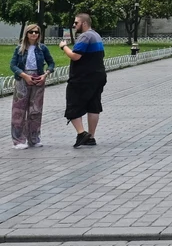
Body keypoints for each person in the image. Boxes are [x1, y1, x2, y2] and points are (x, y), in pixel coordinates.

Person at [60, 13, 106, 148]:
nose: (74, 25)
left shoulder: (85, 36)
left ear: (84, 23)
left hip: (82, 77)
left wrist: (64, 46)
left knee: (73, 103)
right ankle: (91, 136)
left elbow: (75, 56)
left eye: (76, 23)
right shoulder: (96, 35)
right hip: (98, 76)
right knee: (93, 105)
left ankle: (81, 133)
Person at [10, 24, 55, 148]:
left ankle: (34, 139)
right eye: (31, 32)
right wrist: (24, 76)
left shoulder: (42, 48)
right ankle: (18, 140)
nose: (34, 34)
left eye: (36, 32)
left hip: (38, 79)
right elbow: (13, 65)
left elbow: (51, 63)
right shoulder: (19, 49)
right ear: (27, 34)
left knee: (35, 110)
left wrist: (45, 74)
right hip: (22, 80)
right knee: (19, 111)